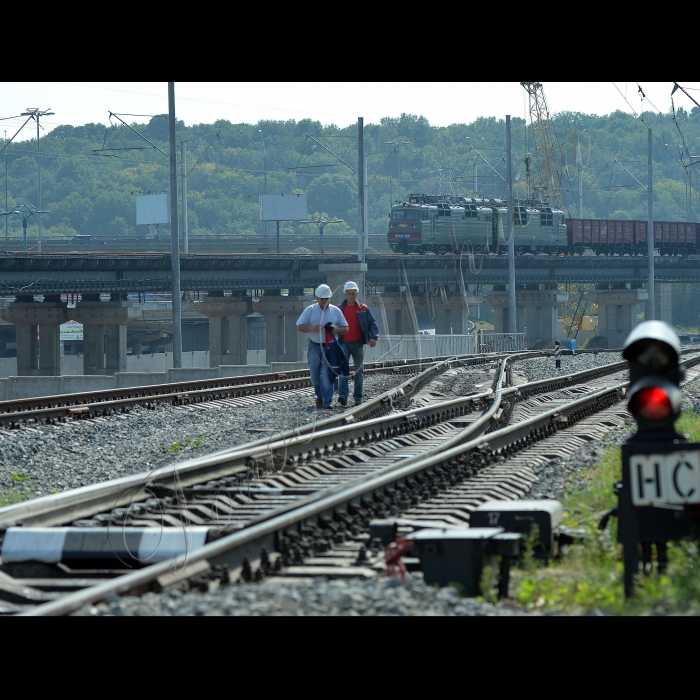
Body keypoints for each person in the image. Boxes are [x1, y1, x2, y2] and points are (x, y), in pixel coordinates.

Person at [296, 284, 348, 409]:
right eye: (321, 298)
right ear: (317, 298)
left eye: (326, 298)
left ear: (330, 297)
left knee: (327, 375)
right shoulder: (310, 310)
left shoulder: (336, 311)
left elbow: (345, 329)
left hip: (330, 348)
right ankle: (319, 395)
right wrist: (312, 328)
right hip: (315, 347)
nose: (324, 301)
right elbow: (300, 326)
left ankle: (327, 402)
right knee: (314, 376)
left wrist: (335, 330)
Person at [337, 281, 379, 406]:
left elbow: (372, 323)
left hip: (357, 344)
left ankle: (357, 398)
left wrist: (373, 338)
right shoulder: (339, 309)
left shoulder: (363, 309)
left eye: (353, 293)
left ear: (357, 293)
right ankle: (343, 396)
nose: (351, 296)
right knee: (343, 371)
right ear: (345, 294)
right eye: (349, 293)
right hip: (343, 343)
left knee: (359, 371)